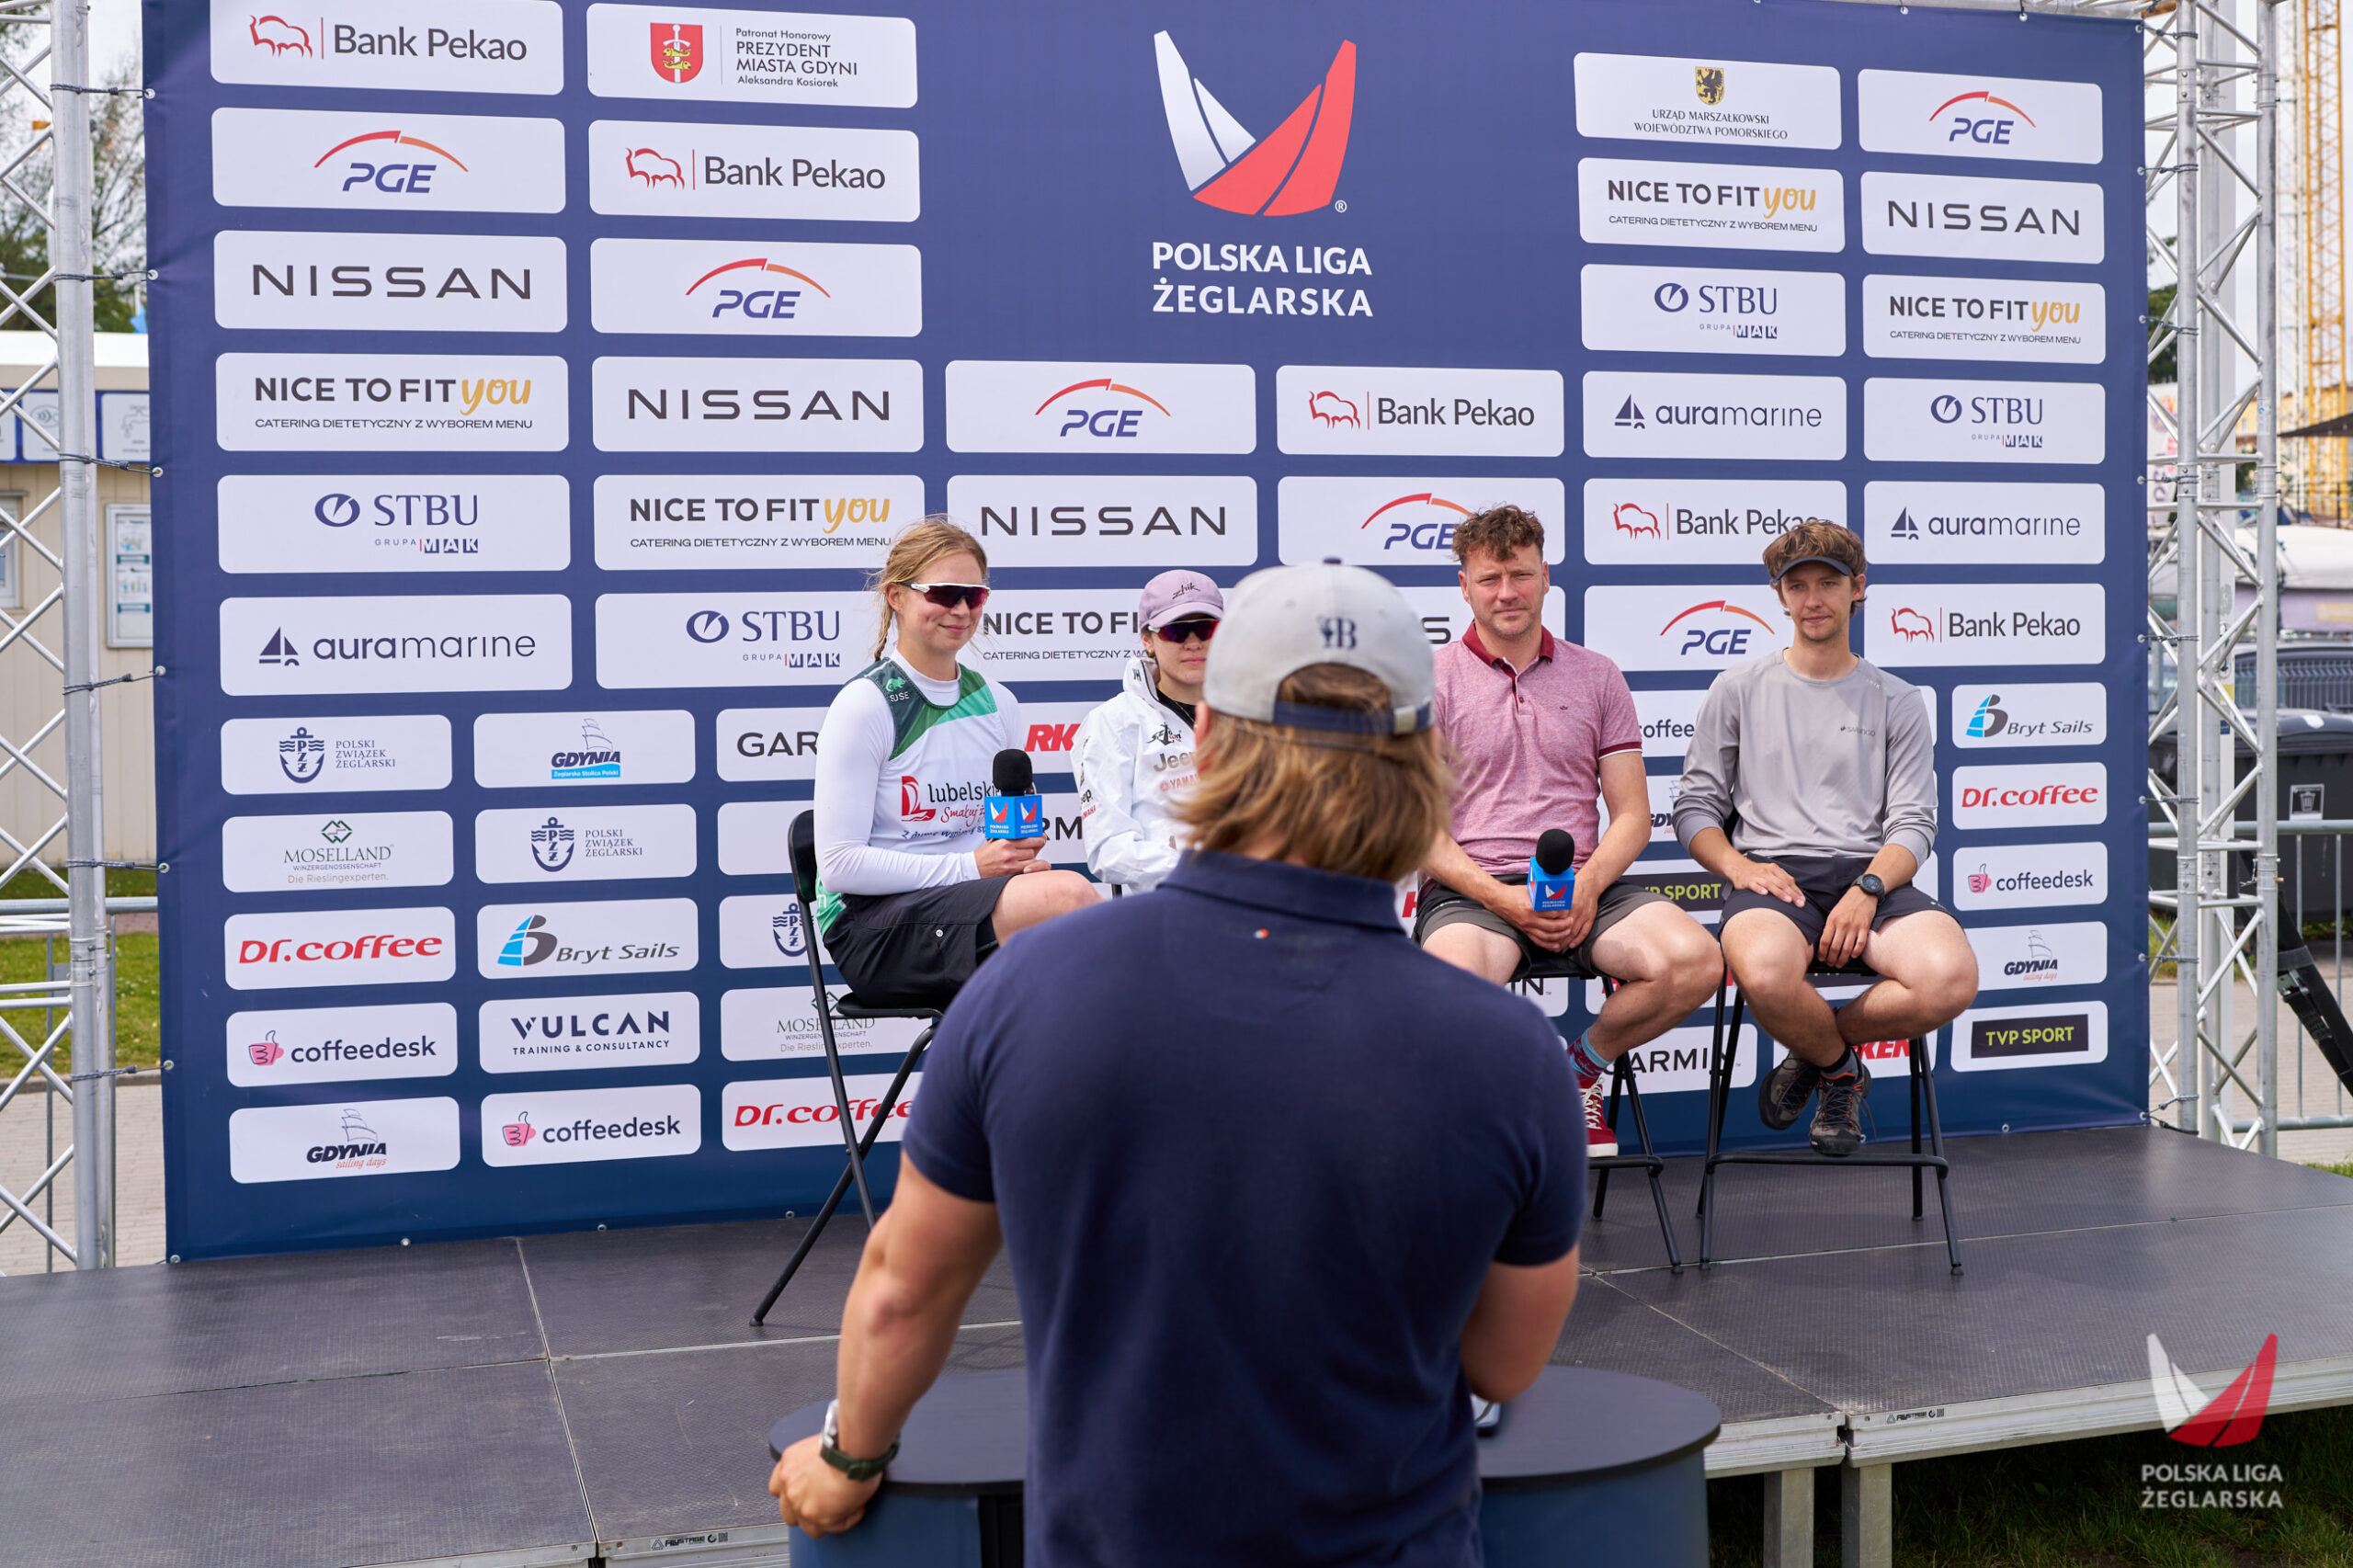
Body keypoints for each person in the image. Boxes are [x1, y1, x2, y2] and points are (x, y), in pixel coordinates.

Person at [771, 563, 1587, 1567]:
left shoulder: (1028, 988)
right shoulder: (1511, 1053)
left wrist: (848, 1459)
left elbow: (904, 1289)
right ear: (1426, 767)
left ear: (1205, 741)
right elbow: (1502, 1363)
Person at [1415, 505, 1723, 1158]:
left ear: (1546, 577)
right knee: (1448, 995)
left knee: (1696, 960)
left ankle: (1576, 1072)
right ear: (1464, 587)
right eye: (1490, 578)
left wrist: (1586, 887)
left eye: (1521, 575)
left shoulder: (1598, 674)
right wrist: (1505, 900)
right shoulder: (1428, 680)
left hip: (1585, 883)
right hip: (1476, 889)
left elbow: (1632, 814)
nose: (1507, 592)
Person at [1672, 521, 1979, 1156]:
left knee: (1950, 978)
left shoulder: (1898, 698)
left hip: (1872, 875)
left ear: (1857, 588)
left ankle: (1814, 1052)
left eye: (1828, 584)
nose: (1813, 600)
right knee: (1763, 972)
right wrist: (1737, 866)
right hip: (1774, 877)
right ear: (1780, 596)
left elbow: (1915, 822)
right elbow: (1695, 808)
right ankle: (1842, 1071)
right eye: (1798, 586)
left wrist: (1869, 887)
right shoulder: (1738, 687)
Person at [812, 517, 1097, 1006]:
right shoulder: (866, 704)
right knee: (1067, 898)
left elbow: (988, 845)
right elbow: (840, 867)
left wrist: (1010, 863)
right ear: (896, 596)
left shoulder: (997, 702)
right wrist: (971, 866)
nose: (961, 610)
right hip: (870, 926)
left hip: (963, 901)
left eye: (974, 595)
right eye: (944, 594)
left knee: (1065, 909)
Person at [1071, 570, 1222, 892]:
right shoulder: (1113, 721)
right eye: (1175, 631)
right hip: (1172, 901)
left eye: (1206, 628)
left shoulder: (1254, 714)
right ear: (1148, 641)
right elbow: (1109, 850)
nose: (1193, 642)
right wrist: (1207, 872)